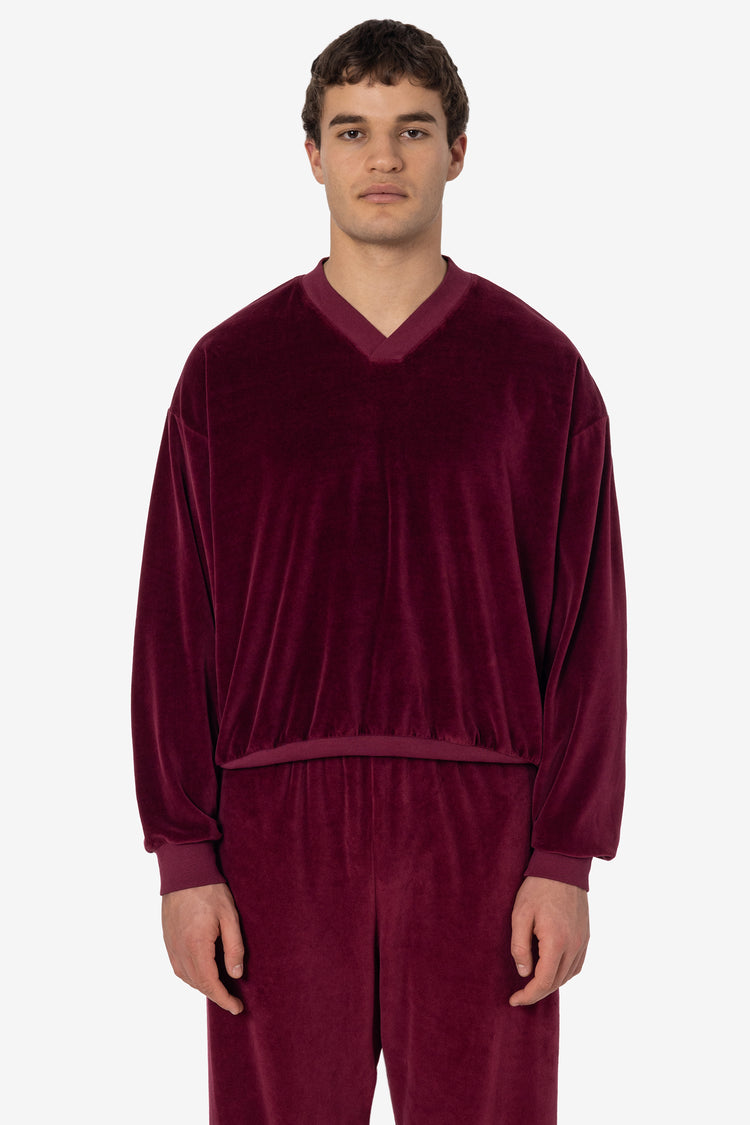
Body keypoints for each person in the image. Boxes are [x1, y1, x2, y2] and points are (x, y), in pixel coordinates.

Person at [131, 18, 626, 1125]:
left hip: (486, 829)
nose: (384, 156)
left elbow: (590, 632)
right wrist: (184, 856)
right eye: (353, 130)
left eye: (413, 128)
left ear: (459, 151)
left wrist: (564, 854)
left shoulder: (540, 373)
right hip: (272, 828)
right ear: (312, 155)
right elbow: (175, 622)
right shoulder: (227, 372)